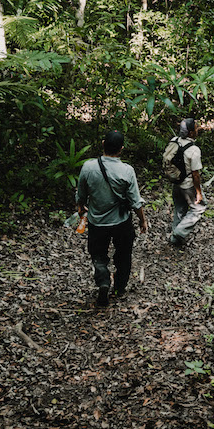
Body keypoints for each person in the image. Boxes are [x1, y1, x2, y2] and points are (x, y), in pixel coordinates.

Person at [76, 130, 148, 307]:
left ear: (102, 144)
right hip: (121, 222)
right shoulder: (127, 171)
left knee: (98, 255)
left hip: (96, 222)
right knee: (124, 255)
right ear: (121, 149)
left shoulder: (88, 167)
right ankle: (120, 287)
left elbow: (81, 194)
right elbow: (135, 201)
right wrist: (142, 220)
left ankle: (103, 281)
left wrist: (80, 208)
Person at [168, 117, 206, 248]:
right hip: (188, 185)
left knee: (180, 208)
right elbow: (196, 174)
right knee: (199, 208)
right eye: (195, 128)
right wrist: (198, 192)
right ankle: (179, 233)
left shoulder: (174, 141)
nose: (197, 129)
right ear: (190, 133)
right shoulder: (194, 150)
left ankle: (175, 239)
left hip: (176, 183)